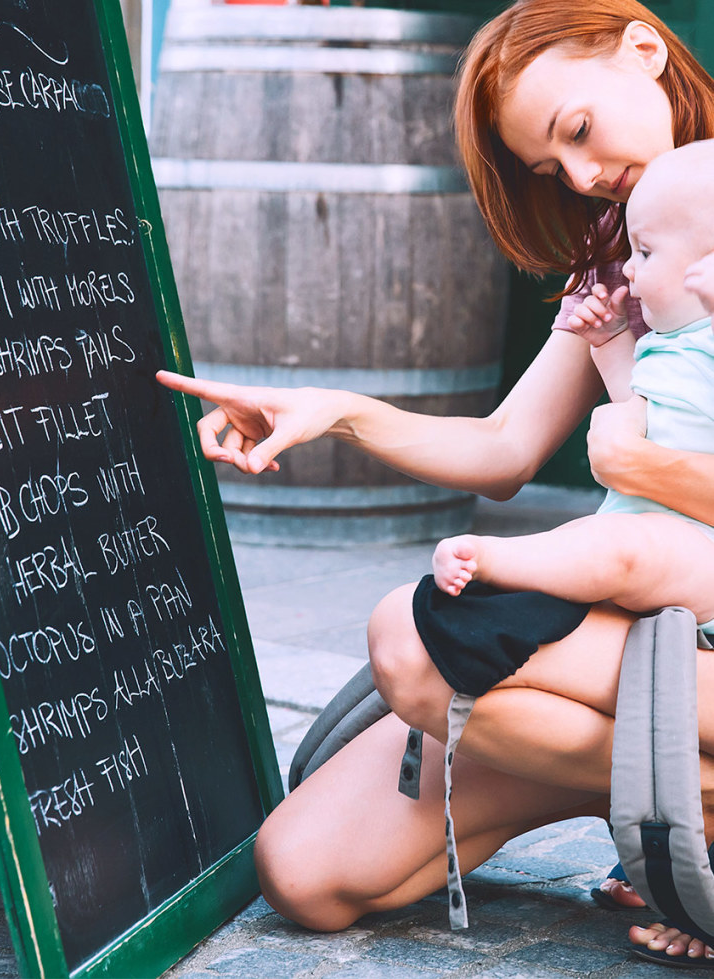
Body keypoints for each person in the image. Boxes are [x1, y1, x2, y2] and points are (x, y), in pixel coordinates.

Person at [157, 0, 714, 966]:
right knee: (305, 869)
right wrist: (333, 411)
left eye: (576, 131)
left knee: (415, 649)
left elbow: (624, 460)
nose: (580, 177)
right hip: (629, 658)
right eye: (552, 167)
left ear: (641, 48)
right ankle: (679, 799)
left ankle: (672, 799)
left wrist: (642, 463)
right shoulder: (636, 261)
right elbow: (504, 448)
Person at [431, 141, 714, 644]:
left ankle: (492, 560)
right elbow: (640, 405)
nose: (628, 269)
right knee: (583, 539)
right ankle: (512, 580)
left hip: (701, 550)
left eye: (645, 253)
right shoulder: (666, 346)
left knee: (626, 549)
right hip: (636, 529)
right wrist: (608, 342)